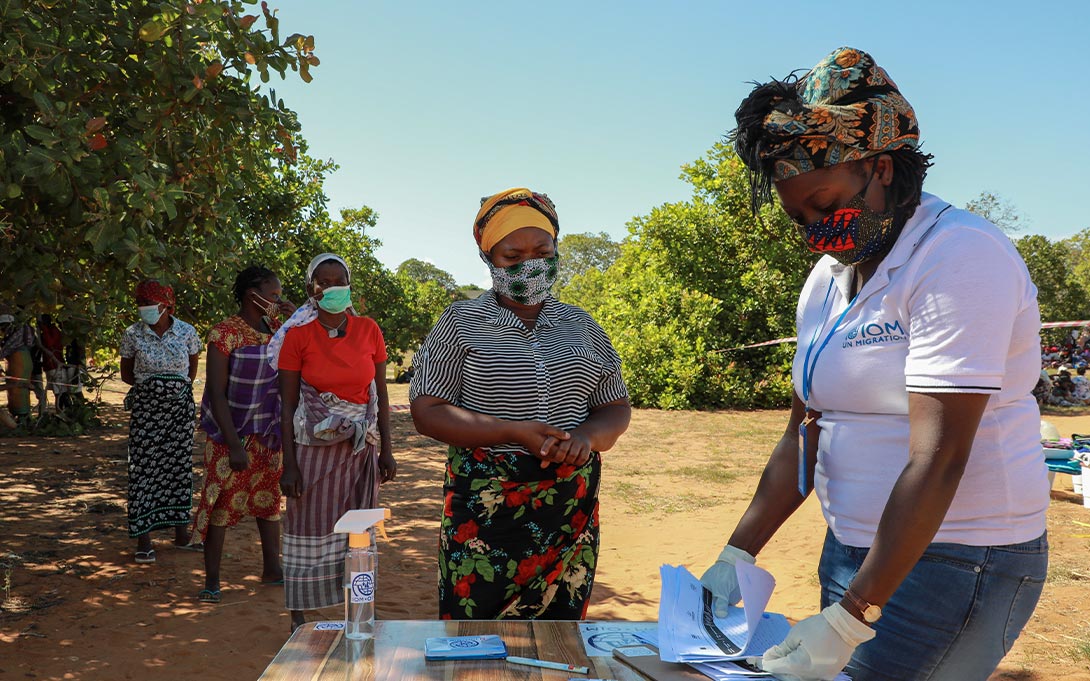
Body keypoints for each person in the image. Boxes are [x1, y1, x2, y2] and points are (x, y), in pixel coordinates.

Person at [699, 47, 1048, 681]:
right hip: (856, 553)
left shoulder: (958, 255)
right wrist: (738, 551)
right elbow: (804, 433)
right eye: (799, 217)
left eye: (825, 204)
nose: (815, 230)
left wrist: (853, 613)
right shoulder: (829, 280)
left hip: (960, 557)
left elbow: (938, 456)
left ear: (881, 167)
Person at [409, 187, 632, 620]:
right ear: (490, 259)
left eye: (542, 251)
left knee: (560, 634)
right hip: (486, 513)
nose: (529, 265)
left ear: (556, 249)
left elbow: (614, 406)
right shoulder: (461, 322)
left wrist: (586, 437)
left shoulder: (582, 325)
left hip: (568, 509)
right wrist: (511, 431)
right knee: (476, 637)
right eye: (512, 257)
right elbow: (427, 410)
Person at [270, 253, 397, 631]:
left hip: (361, 448)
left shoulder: (368, 330)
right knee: (307, 523)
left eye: (339, 280)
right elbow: (289, 404)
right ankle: (299, 614)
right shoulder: (298, 337)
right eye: (324, 281)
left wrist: (387, 449)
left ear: (349, 284)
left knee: (359, 528)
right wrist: (288, 464)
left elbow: (380, 395)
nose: (332, 287)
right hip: (313, 447)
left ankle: (359, 607)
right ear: (312, 289)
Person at [194, 266, 295, 603]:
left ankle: (273, 570)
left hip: (266, 433)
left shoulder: (278, 330)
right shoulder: (224, 333)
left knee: (268, 504)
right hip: (230, 434)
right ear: (253, 293)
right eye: (274, 294)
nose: (277, 300)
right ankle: (212, 580)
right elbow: (216, 393)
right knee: (220, 503)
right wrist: (234, 445)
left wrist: (294, 319)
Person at [120, 280, 203, 564]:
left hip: (179, 412)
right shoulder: (132, 334)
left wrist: (171, 390)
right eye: (140, 303)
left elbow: (190, 371)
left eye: (150, 304)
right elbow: (127, 375)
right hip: (146, 412)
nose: (144, 309)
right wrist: (155, 389)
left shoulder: (187, 332)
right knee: (143, 469)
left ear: (167, 305)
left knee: (178, 467)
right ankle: (144, 541)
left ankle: (181, 534)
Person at [1, 313, 37, 426]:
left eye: (3, 327)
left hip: (20, 362)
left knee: (20, 391)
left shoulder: (17, 336)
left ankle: (22, 418)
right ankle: (18, 416)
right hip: (16, 364)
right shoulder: (13, 338)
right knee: (16, 390)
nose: (2, 330)